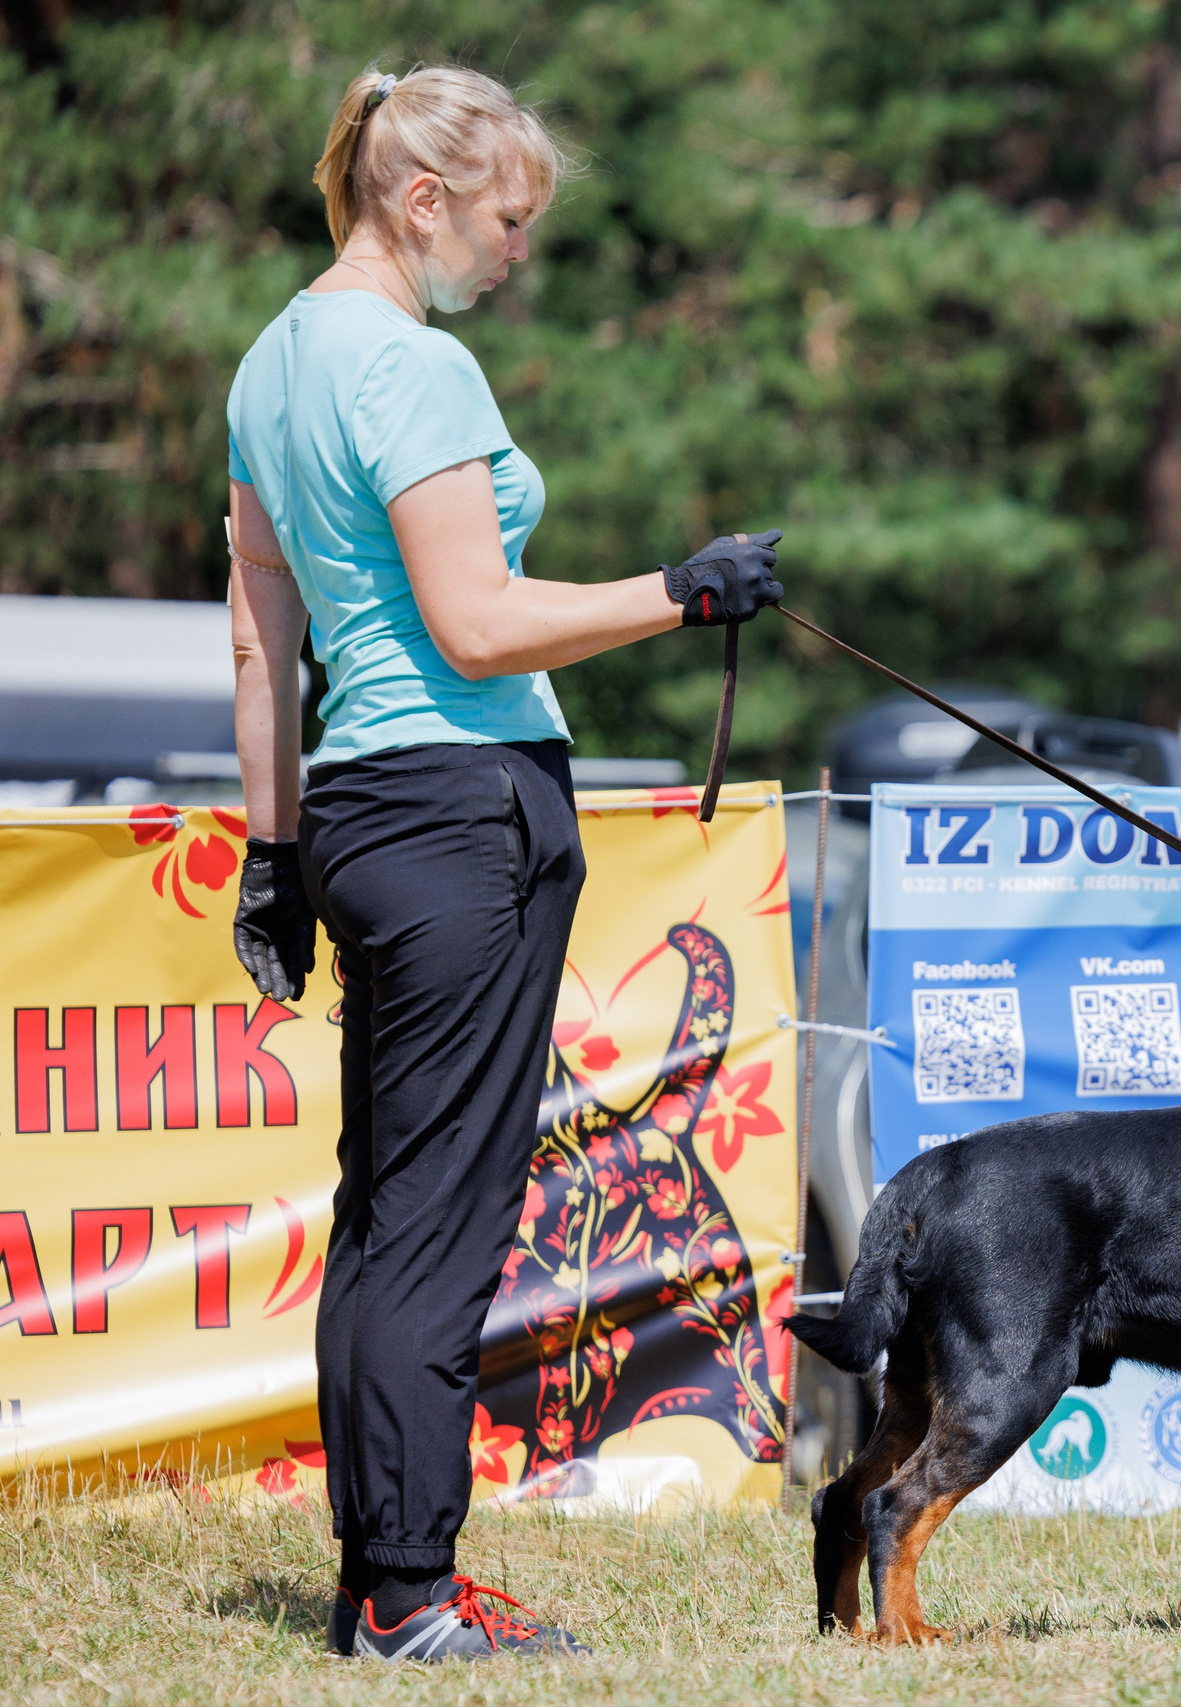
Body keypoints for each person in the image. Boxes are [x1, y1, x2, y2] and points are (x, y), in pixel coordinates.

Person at [225, 65, 784, 1663]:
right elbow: (476, 622)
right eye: (509, 218)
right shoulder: (415, 363)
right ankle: (409, 1590)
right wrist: (679, 589)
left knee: (386, 1205)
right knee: (444, 1220)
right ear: (422, 202)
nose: (519, 251)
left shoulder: (270, 364)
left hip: (357, 807)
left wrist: (274, 852)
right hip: (464, 809)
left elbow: (268, 642)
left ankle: (372, 1579)